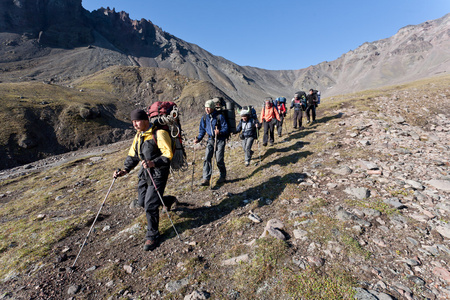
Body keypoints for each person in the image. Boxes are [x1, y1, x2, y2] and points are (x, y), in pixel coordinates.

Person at [114, 109, 174, 251]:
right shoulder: (139, 135)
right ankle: (168, 201)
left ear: (146, 120)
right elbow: (133, 155)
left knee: (150, 205)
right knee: (142, 202)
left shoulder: (159, 133)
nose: (135, 124)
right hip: (145, 173)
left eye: (137, 121)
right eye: (133, 122)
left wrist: (155, 163)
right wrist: (125, 170)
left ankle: (152, 236)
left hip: (158, 173)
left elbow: (168, 154)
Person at [194, 99, 229, 186]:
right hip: (210, 140)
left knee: (219, 159)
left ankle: (223, 176)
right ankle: (206, 178)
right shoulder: (204, 118)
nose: (207, 109)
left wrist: (219, 132)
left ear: (213, 108)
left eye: (209, 108)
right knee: (207, 158)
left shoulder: (219, 117)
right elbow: (202, 130)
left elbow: (226, 128)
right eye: (206, 107)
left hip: (220, 139)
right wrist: (198, 138)